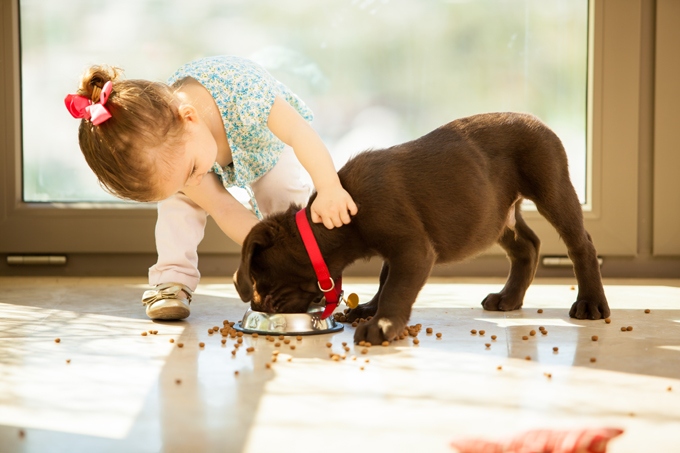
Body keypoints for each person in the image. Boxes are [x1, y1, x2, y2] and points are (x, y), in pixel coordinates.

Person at [65, 55, 357, 320]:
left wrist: (329, 186)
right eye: (182, 181)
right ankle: (172, 279)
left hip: (264, 144)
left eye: (191, 172)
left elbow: (299, 132)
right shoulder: (178, 154)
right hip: (197, 150)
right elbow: (222, 206)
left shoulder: (246, 94)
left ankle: (299, 274)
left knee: (283, 190)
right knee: (178, 206)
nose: (193, 182)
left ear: (190, 117)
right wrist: (260, 251)